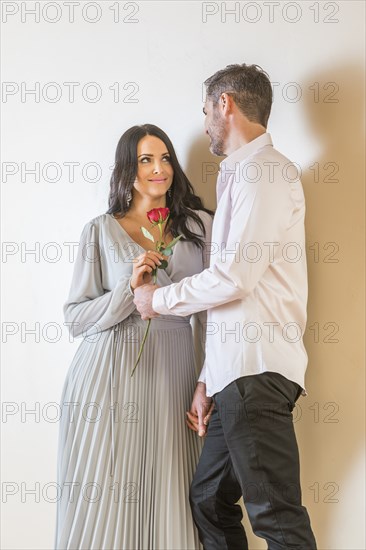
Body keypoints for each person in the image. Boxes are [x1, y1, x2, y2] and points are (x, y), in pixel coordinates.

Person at [134, 65, 318, 549]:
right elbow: (234, 292)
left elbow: (237, 276)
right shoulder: (241, 174)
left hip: (256, 370)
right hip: (234, 374)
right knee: (209, 500)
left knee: (276, 517)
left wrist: (159, 299)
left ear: (226, 104)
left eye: (205, 111)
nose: (205, 124)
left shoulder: (265, 170)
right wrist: (207, 378)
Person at [55, 123, 213, 549]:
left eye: (165, 158)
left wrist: (208, 379)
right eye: (146, 159)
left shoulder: (199, 227)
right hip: (106, 376)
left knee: (171, 489)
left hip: (174, 373)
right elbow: (75, 318)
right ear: (128, 169)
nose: (159, 169)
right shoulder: (99, 230)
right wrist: (129, 289)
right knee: (109, 496)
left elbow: (215, 313)